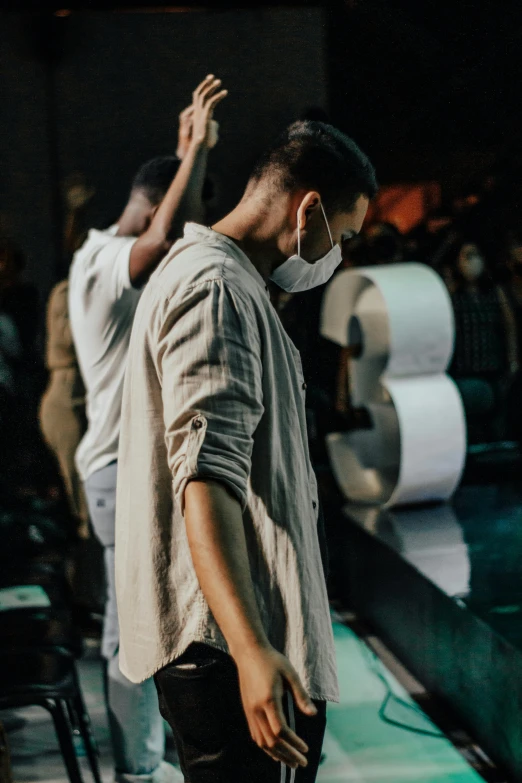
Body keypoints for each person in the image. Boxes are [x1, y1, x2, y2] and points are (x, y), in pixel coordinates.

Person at [115, 119, 377, 782]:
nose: (338, 253)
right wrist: (252, 648)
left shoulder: (219, 279)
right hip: (229, 647)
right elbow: (205, 480)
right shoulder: (218, 289)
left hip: (228, 641)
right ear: (308, 207)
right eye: (342, 235)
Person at [69, 75, 227, 783]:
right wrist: (191, 153)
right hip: (111, 469)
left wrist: (182, 161)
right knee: (126, 630)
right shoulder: (99, 258)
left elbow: (169, 231)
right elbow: (163, 239)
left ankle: (151, 759)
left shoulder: (106, 254)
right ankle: (137, 769)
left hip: (124, 469)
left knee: (153, 621)